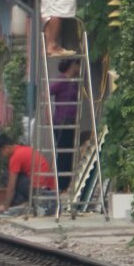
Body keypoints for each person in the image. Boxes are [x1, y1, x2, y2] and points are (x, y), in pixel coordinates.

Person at [0, 133, 56, 211]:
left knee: (7, 176)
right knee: (14, 175)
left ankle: (23, 202)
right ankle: (27, 202)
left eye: (1, 153)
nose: (2, 157)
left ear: (6, 148)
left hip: (39, 190)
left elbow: (11, 186)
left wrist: (6, 206)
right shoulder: (23, 149)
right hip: (47, 188)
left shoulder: (15, 157)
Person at [50, 59, 82, 191]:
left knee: (69, 155)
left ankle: (66, 184)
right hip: (62, 122)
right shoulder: (62, 81)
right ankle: (61, 185)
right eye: (78, 64)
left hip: (71, 122)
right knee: (63, 154)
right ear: (72, 65)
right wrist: (48, 114)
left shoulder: (74, 82)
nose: (79, 68)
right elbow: (48, 92)